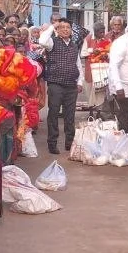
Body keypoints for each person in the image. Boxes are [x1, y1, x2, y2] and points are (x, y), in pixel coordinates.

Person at [39, 17, 89, 153]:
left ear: (71, 31)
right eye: (62, 27)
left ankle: (69, 142)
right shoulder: (52, 43)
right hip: (56, 85)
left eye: (68, 27)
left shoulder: (74, 45)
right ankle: (52, 143)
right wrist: (52, 26)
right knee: (53, 114)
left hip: (71, 86)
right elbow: (41, 40)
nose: (65, 30)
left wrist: (79, 82)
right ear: (58, 30)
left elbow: (78, 64)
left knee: (70, 116)